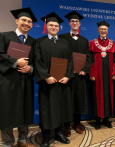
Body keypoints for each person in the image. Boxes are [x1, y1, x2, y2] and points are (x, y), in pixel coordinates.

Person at [34, 12, 75, 147]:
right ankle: (45, 136)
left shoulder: (65, 43)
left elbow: (70, 61)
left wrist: (67, 76)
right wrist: (46, 76)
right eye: (51, 25)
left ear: (59, 28)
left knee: (61, 107)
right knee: (47, 108)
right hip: (48, 83)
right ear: (47, 26)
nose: (54, 27)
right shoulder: (39, 42)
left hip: (62, 82)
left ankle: (58, 132)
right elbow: (37, 61)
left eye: (56, 25)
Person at [0, 7, 37, 147]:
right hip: (8, 81)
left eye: (29, 21)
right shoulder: (4, 36)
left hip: (25, 81)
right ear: (17, 21)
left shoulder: (33, 42)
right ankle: (7, 142)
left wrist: (30, 68)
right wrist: (15, 62)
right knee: (7, 110)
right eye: (23, 20)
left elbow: (36, 62)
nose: (26, 23)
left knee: (25, 110)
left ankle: (22, 139)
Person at [59, 10, 91, 136]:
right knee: (67, 100)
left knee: (79, 100)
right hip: (67, 75)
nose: (74, 23)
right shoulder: (63, 37)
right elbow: (60, 55)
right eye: (72, 21)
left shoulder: (84, 40)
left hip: (80, 75)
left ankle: (77, 123)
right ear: (69, 23)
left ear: (80, 23)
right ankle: (66, 125)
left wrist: (85, 70)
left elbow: (88, 58)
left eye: (76, 21)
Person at [89, 20, 115, 130]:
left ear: (107, 31)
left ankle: (106, 119)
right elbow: (90, 60)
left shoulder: (112, 44)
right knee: (96, 97)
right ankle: (97, 120)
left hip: (109, 77)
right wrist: (92, 73)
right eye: (101, 29)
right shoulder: (92, 43)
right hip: (96, 76)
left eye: (105, 29)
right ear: (98, 30)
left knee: (108, 96)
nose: (103, 31)